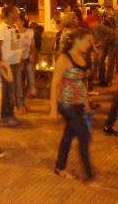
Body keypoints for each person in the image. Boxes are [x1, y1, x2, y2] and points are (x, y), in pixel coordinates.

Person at [50, 28, 95, 183]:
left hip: (79, 103)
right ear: (77, 40)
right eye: (88, 40)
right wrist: (53, 108)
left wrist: (86, 101)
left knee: (69, 135)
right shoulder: (64, 58)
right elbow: (55, 83)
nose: (90, 44)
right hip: (66, 103)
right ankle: (88, 172)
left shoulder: (83, 57)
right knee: (84, 135)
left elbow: (83, 82)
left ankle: (59, 167)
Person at [0, 5, 22, 126]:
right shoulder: (2, 28)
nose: (18, 14)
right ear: (10, 14)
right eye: (15, 11)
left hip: (15, 63)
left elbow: (16, 45)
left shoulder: (14, 27)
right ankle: (5, 116)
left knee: (13, 90)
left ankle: (10, 113)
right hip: (6, 65)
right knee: (7, 91)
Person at [18, 13, 37, 110]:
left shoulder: (30, 32)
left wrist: (32, 55)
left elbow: (33, 46)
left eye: (18, 20)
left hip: (27, 59)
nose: (16, 22)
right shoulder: (14, 32)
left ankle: (24, 100)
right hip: (18, 60)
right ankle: (20, 103)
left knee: (31, 81)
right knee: (19, 83)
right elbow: (13, 47)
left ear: (22, 21)